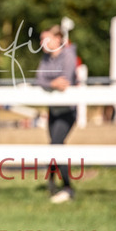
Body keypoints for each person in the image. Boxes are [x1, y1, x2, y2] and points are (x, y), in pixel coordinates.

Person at [35, 25, 77, 203]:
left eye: (46, 39)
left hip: (67, 111)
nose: (42, 43)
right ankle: (53, 184)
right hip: (53, 111)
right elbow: (39, 79)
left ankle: (66, 187)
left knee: (56, 145)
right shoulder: (46, 58)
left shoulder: (68, 55)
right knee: (55, 146)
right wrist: (52, 83)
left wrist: (49, 82)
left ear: (58, 39)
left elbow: (65, 80)